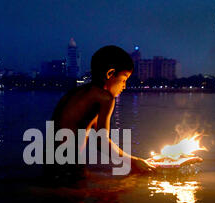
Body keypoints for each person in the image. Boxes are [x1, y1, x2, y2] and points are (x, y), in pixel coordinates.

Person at [48, 45, 155, 180]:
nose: (124, 86)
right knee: (129, 185)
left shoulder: (77, 94)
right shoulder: (105, 98)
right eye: (123, 79)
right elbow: (101, 142)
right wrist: (134, 161)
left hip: (53, 168)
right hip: (69, 170)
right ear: (110, 74)